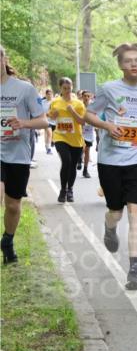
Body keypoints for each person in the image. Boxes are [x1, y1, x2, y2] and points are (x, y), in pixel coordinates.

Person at [85, 43, 137, 291]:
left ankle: (134, 269)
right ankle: (110, 226)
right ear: (120, 64)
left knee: (135, 211)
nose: (133, 64)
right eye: (128, 60)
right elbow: (88, 114)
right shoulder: (108, 89)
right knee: (116, 211)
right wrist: (107, 126)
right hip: (111, 160)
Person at [1, 45, 48, 265]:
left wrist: (23, 123)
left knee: (13, 206)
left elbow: (44, 121)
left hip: (18, 154)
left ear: (4, 59)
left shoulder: (25, 88)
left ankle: (7, 240)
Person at [48, 77, 87, 203]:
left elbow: (82, 121)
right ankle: (63, 190)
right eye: (64, 88)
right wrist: (53, 115)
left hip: (75, 138)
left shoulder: (78, 104)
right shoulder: (55, 102)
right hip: (60, 136)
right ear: (60, 88)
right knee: (66, 161)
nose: (67, 91)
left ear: (72, 87)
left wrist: (72, 111)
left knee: (73, 165)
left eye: (69, 88)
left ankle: (70, 189)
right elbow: (51, 117)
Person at [80, 90, 95, 178]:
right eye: (85, 96)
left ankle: (85, 170)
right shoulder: (79, 105)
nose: (86, 98)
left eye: (88, 96)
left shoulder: (93, 106)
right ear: (82, 96)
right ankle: (79, 160)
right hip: (80, 131)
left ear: (91, 97)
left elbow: (96, 117)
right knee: (81, 149)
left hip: (89, 132)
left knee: (87, 150)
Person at [42, 88, 54, 154]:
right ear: (46, 95)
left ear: (52, 94)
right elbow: (40, 110)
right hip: (46, 120)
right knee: (49, 133)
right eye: (48, 94)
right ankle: (49, 148)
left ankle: (47, 145)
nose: (49, 95)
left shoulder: (55, 101)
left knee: (49, 134)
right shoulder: (42, 102)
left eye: (50, 94)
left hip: (54, 121)